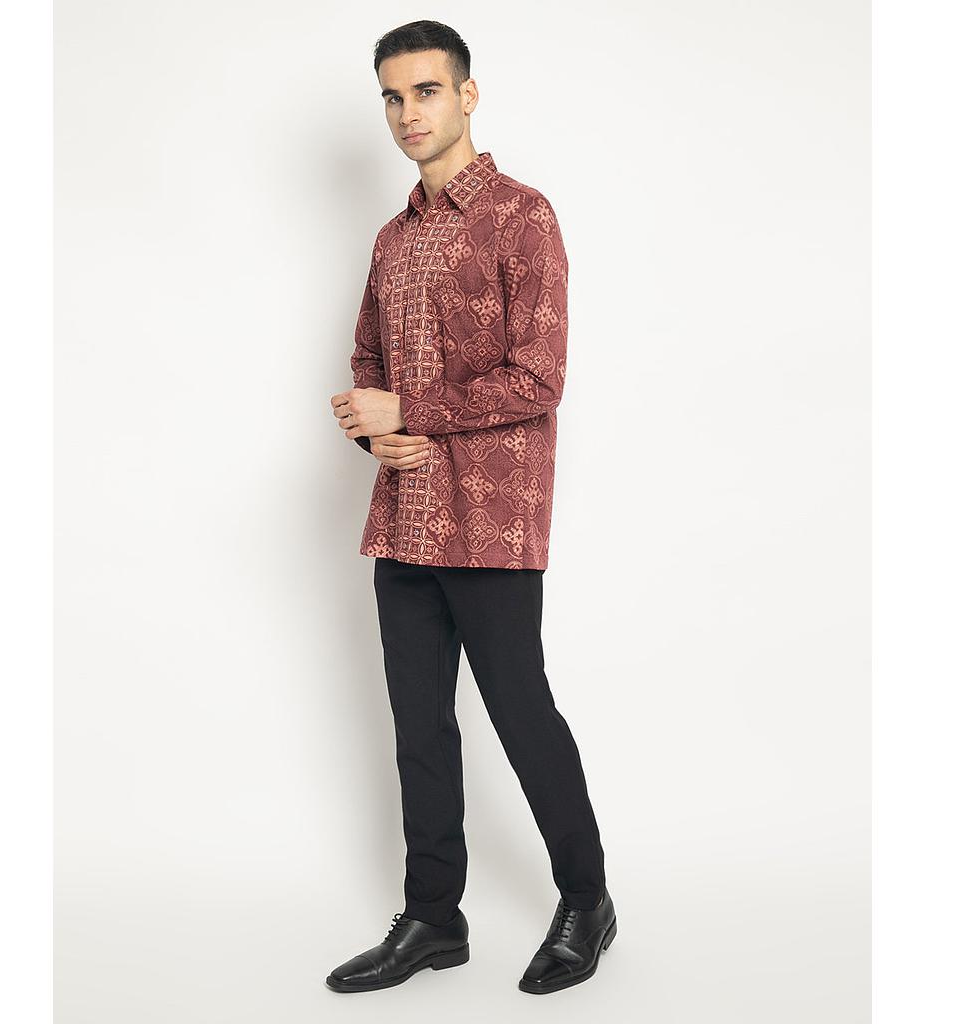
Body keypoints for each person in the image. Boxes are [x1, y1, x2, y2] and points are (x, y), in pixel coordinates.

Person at [327, 19, 615, 995]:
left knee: (522, 715)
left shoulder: (523, 217)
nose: (409, 113)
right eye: (393, 97)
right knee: (419, 730)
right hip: (403, 515)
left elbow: (537, 377)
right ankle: (433, 919)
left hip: (490, 521)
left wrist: (409, 409)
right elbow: (368, 366)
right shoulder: (390, 239)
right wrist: (373, 431)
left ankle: (587, 900)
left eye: (426, 91)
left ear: (467, 95)